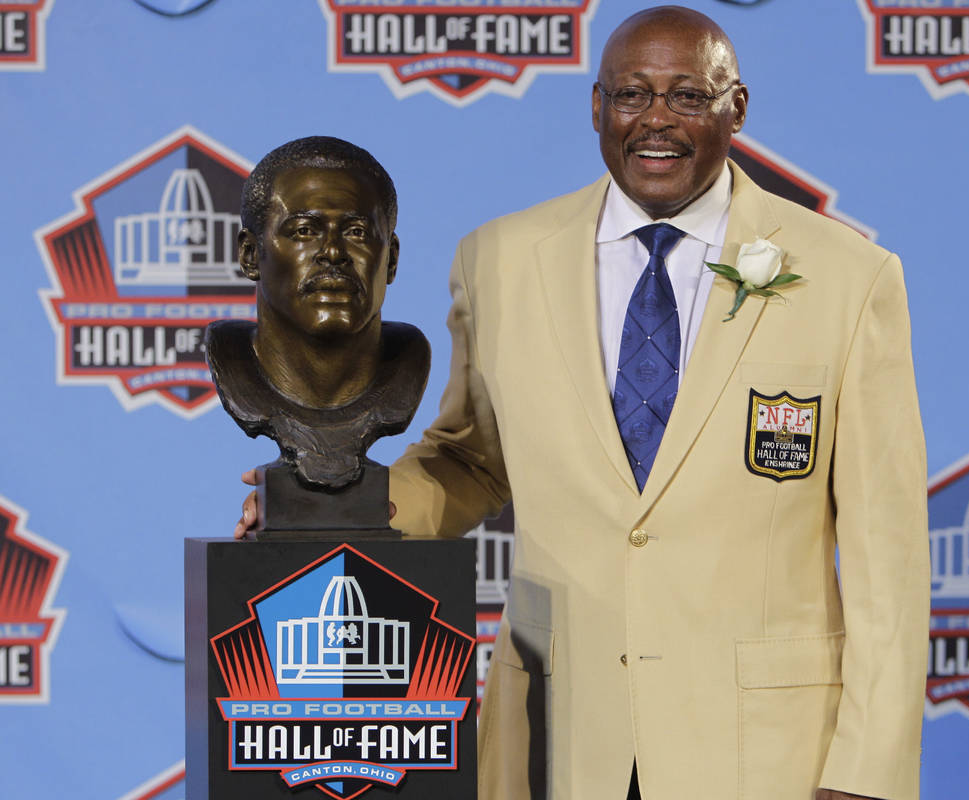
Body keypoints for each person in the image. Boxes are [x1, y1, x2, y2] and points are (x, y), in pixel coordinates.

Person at [239, 8, 929, 799]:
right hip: (554, 737)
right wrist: (334, 508)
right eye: (633, 95)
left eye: (688, 97)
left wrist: (870, 772)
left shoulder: (849, 277)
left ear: (737, 108)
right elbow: (470, 459)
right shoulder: (497, 259)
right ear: (597, 107)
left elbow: (889, 549)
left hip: (766, 752)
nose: (657, 121)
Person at [216, 136, 429, 491]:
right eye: (304, 231)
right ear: (251, 255)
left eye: (357, 232)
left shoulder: (407, 364)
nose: (333, 252)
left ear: (390, 259)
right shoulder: (233, 361)